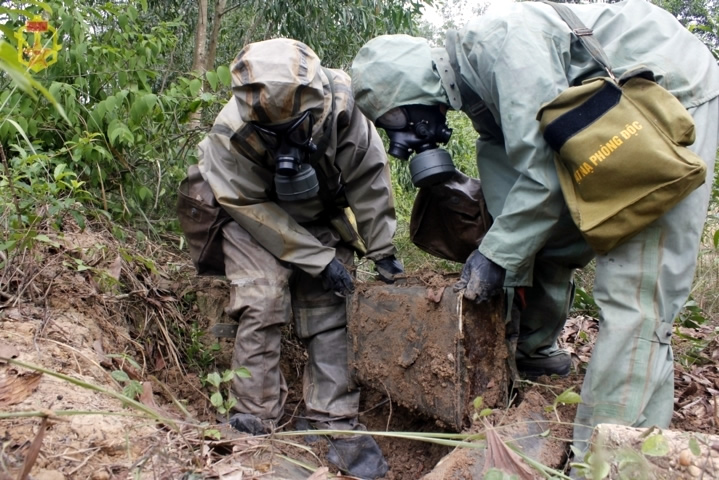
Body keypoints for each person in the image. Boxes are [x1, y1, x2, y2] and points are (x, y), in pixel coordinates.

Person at [349, 0, 719, 461]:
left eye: (392, 120)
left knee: (636, 290)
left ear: (409, 85)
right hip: (596, 121)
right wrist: (499, 248)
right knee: (534, 241)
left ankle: (607, 457)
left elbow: (542, 176)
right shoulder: (476, 91)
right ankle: (535, 353)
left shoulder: (501, 43)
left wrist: (498, 253)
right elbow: (514, 188)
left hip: (659, 99)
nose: (399, 139)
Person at [196, 38, 403, 479]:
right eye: (274, 133)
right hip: (253, 218)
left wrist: (383, 250)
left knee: (331, 307)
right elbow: (248, 207)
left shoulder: (343, 109)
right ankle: (253, 420)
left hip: (319, 213)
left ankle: (333, 423)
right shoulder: (229, 132)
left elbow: (369, 178)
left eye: (295, 128)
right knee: (262, 298)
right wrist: (315, 259)